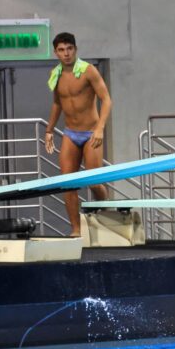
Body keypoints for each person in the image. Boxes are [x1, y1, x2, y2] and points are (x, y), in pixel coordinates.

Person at [44, 32, 111, 237]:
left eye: (70, 49)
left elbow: (106, 99)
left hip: (91, 132)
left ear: (75, 49)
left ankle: (103, 209)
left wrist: (100, 128)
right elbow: (57, 103)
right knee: (68, 182)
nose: (66, 54)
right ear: (56, 52)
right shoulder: (55, 74)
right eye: (62, 50)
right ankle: (76, 229)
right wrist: (49, 130)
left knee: (93, 181)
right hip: (70, 133)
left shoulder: (88, 71)